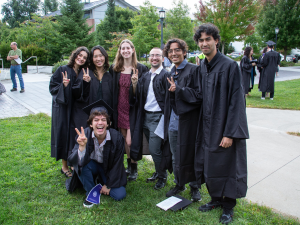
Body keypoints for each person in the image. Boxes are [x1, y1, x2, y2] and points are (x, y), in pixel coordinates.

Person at [190, 23, 249, 224]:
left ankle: (228, 206)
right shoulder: (203, 66)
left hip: (224, 126)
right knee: (211, 163)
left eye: (208, 39)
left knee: (228, 165)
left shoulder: (230, 66)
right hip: (207, 126)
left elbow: (237, 101)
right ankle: (215, 199)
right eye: (201, 40)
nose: (204, 43)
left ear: (216, 40)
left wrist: (230, 133)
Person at [68, 100, 127, 208]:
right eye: (96, 120)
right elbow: (73, 161)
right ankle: (91, 193)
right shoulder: (83, 135)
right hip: (91, 165)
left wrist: (109, 185)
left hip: (108, 169)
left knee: (119, 194)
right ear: (91, 124)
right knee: (81, 164)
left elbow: (118, 163)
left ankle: (100, 181)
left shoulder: (117, 138)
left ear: (108, 123)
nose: (100, 123)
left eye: (103, 120)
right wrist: (82, 147)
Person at [162, 38, 201, 202]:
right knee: (175, 156)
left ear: (184, 52)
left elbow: (199, 96)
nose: (173, 53)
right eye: (170, 51)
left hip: (188, 122)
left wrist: (179, 90)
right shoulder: (171, 72)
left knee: (190, 155)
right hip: (173, 122)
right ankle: (179, 183)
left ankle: (194, 187)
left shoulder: (194, 70)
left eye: (177, 50)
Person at [109, 39, 148, 181]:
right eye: (122, 48)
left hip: (133, 109)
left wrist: (135, 84)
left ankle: (134, 165)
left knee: (132, 140)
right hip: (119, 108)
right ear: (120, 51)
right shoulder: (115, 68)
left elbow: (143, 92)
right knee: (124, 139)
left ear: (132, 50)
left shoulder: (141, 68)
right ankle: (130, 167)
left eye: (128, 48)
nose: (125, 50)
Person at [131, 47, 169, 189]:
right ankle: (158, 171)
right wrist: (134, 84)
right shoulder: (145, 76)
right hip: (145, 116)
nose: (154, 58)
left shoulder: (166, 75)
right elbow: (137, 97)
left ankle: (162, 176)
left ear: (163, 58)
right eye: (152, 55)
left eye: (157, 55)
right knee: (154, 149)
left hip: (158, 118)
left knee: (154, 149)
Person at [49, 46, 89, 178]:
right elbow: (52, 88)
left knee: (74, 134)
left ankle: (73, 162)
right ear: (75, 54)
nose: (81, 58)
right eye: (80, 55)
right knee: (64, 134)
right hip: (63, 109)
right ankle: (64, 166)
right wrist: (63, 85)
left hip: (76, 109)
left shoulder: (83, 73)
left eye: (84, 57)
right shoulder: (62, 70)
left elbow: (80, 94)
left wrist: (85, 82)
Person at [70, 46, 113, 156]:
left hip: (103, 116)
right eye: (95, 56)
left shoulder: (109, 75)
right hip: (86, 115)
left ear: (105, 57)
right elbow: (76, 93)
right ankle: (81, 163)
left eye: (101, 55)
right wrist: (85, 83)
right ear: (92, 59)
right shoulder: (86, 72)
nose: (98, 59)